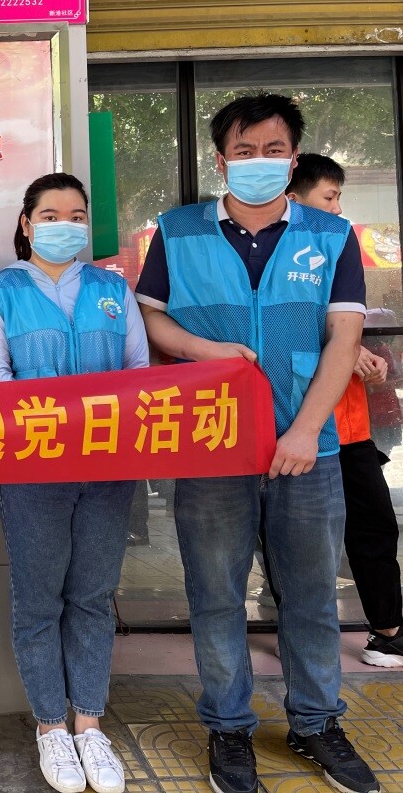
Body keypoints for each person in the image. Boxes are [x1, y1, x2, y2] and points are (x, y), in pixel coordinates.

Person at [135, 95, 380, 793]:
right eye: (243, 152)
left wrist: (303, 430)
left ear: (292, 159)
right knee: (215, 595)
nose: (258, 162)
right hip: (211, 444)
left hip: (309, 449)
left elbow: (343, 338)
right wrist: (202, 348)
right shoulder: (176, 231)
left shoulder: (331, 235)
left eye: (273, 150)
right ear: (221, 161)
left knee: (310, 596)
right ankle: (228, 728)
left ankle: (316, 724)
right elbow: (149, 316)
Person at [0, 173, 147, 793]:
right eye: (50, 215)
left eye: (76, 216)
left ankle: (89, 725)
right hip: (33, 474)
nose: (64, 225)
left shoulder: (112, 289)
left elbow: (137, 371)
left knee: (93, 597)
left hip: (107, 472)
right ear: (26, 224)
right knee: (38, 601)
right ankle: (51, 725)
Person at [286, 153, 402, 668]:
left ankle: (388, 630)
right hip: (294, 424)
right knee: (297, 539)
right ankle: (295, 628)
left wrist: (359, 354)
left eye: (339, 198)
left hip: (348, 427)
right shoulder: (273, 260)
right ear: (295, 200)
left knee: (374, 525)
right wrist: (343, 349)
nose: (337, 208)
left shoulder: (339, 250)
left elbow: (346, 325)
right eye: (329, 197)